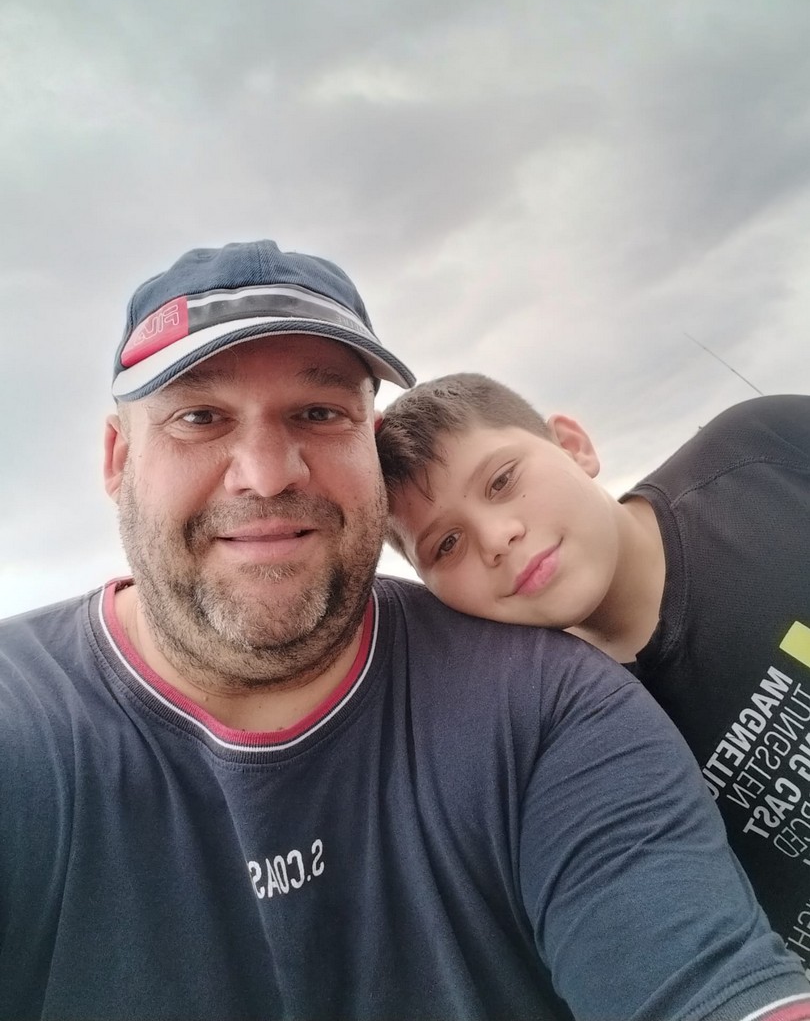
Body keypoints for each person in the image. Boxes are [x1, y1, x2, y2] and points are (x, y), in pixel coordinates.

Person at [1, 244, 809, 1021]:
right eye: (200, 417)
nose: (268, 473)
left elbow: (698, 975)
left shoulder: (547, 703)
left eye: (319, 412)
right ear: (118, 459)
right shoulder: (25, 727)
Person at [376, 371, 810, 977]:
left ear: (573, 445)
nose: (496, 538)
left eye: (502, 480)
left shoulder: (764, 451)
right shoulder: (546, 733)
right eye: (446, 544)